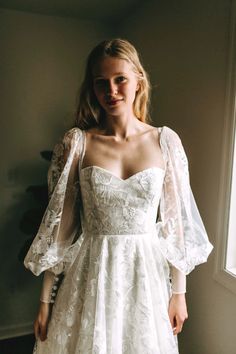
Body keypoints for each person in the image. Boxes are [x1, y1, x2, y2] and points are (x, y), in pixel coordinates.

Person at [24, 38, 213, 354]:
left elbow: (174, 223)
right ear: (92, 88)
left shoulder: (165, 141)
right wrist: (46, 299)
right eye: (101, 83)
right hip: (91, 274)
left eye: (120, 79)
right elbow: (61, 229)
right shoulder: (78, 144)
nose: (111, 91)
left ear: (139, 79)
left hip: (145, 277)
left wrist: (179, 292)